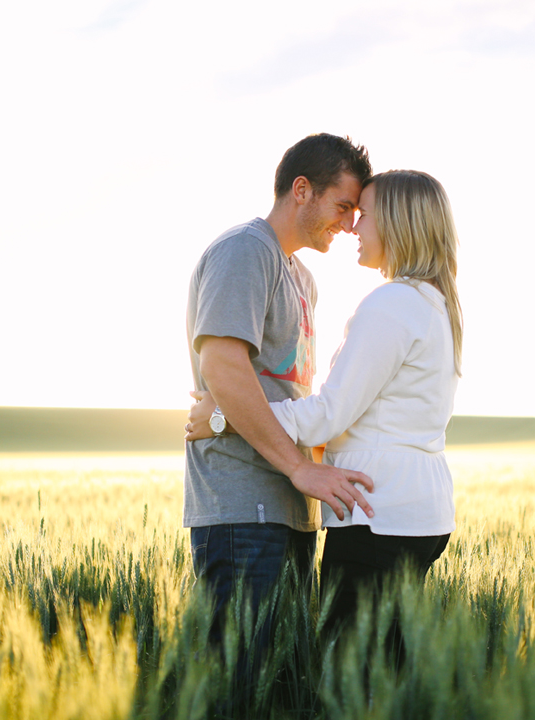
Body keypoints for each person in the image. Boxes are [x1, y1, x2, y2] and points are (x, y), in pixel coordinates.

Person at [187, 169, 463, 639]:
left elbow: (328, 414)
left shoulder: (391, 303)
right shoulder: (435, 304)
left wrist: (224, 418)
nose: (353, 226)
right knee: (382, 670)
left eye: (365, 215)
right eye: (347, 210)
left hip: (375, 512)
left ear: (398, 223)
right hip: (415, 510)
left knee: (350, 676)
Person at [183, 133, 375, 645]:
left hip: (291, 510)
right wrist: (297, 466)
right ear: (302, 189)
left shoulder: (303, 278)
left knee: (281, 683)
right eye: (343, 205)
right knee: (242, 684)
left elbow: (291, 393)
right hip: (242, 510)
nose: (351, 223)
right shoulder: (245, 251)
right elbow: (222, 366)